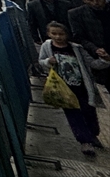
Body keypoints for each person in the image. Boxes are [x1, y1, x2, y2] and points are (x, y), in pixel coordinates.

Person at [39, 21, 109, 157]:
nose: (58, 37)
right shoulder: (47, 46)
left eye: (61, 34)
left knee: (89, 112)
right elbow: (41, 61)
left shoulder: (77, 48)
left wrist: (104, 60)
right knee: (74, 115)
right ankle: (85, 142)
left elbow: (92, 63)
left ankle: (93, 135)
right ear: (48, 34)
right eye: (54, 34)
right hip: (64, 88)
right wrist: (48, 61)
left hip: (82, 87)